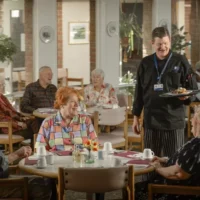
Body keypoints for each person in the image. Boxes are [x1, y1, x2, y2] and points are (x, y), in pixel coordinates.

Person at [132, 26, 198, 157]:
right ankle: (150, 178)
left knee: (173, 159)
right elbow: (139, 92)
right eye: (159, 44)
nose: (162, 47)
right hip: (151, 120)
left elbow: (192, 88)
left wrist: (186, 98)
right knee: (150, 160)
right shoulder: (145, 63)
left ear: (170, 42)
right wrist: (136, 116)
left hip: (173, 121)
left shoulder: (181, 61)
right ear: (152, 43)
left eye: (165, 43)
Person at [135, 106, 200, 200]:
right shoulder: (196, 143)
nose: (190, 119)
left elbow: (178, 173)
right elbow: (187, 164)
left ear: (199, 121)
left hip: (171, 192)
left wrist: (157, 168)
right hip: (179, 188)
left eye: (194, 116)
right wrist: (164, 160)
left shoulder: (196, 145)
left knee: (131, 188)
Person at [35, 86, 97, 151]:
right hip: (57, 160)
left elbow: (95, 146)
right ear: (62, 104)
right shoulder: (48, 123)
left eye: (77, 101)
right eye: (72, 101)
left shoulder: (85, 121)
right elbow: (39, 150)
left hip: (80, 160)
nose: (77, 105)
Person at [20, 66, 57, 133]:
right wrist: (36, 111)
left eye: (51, 74)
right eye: (48, 74)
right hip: (38, 118)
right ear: (40, 75)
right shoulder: (31, 88)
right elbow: (23, 106)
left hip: (53, 117)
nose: (50, 76)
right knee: (40, 124)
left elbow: (58, 103)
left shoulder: (53, 88)